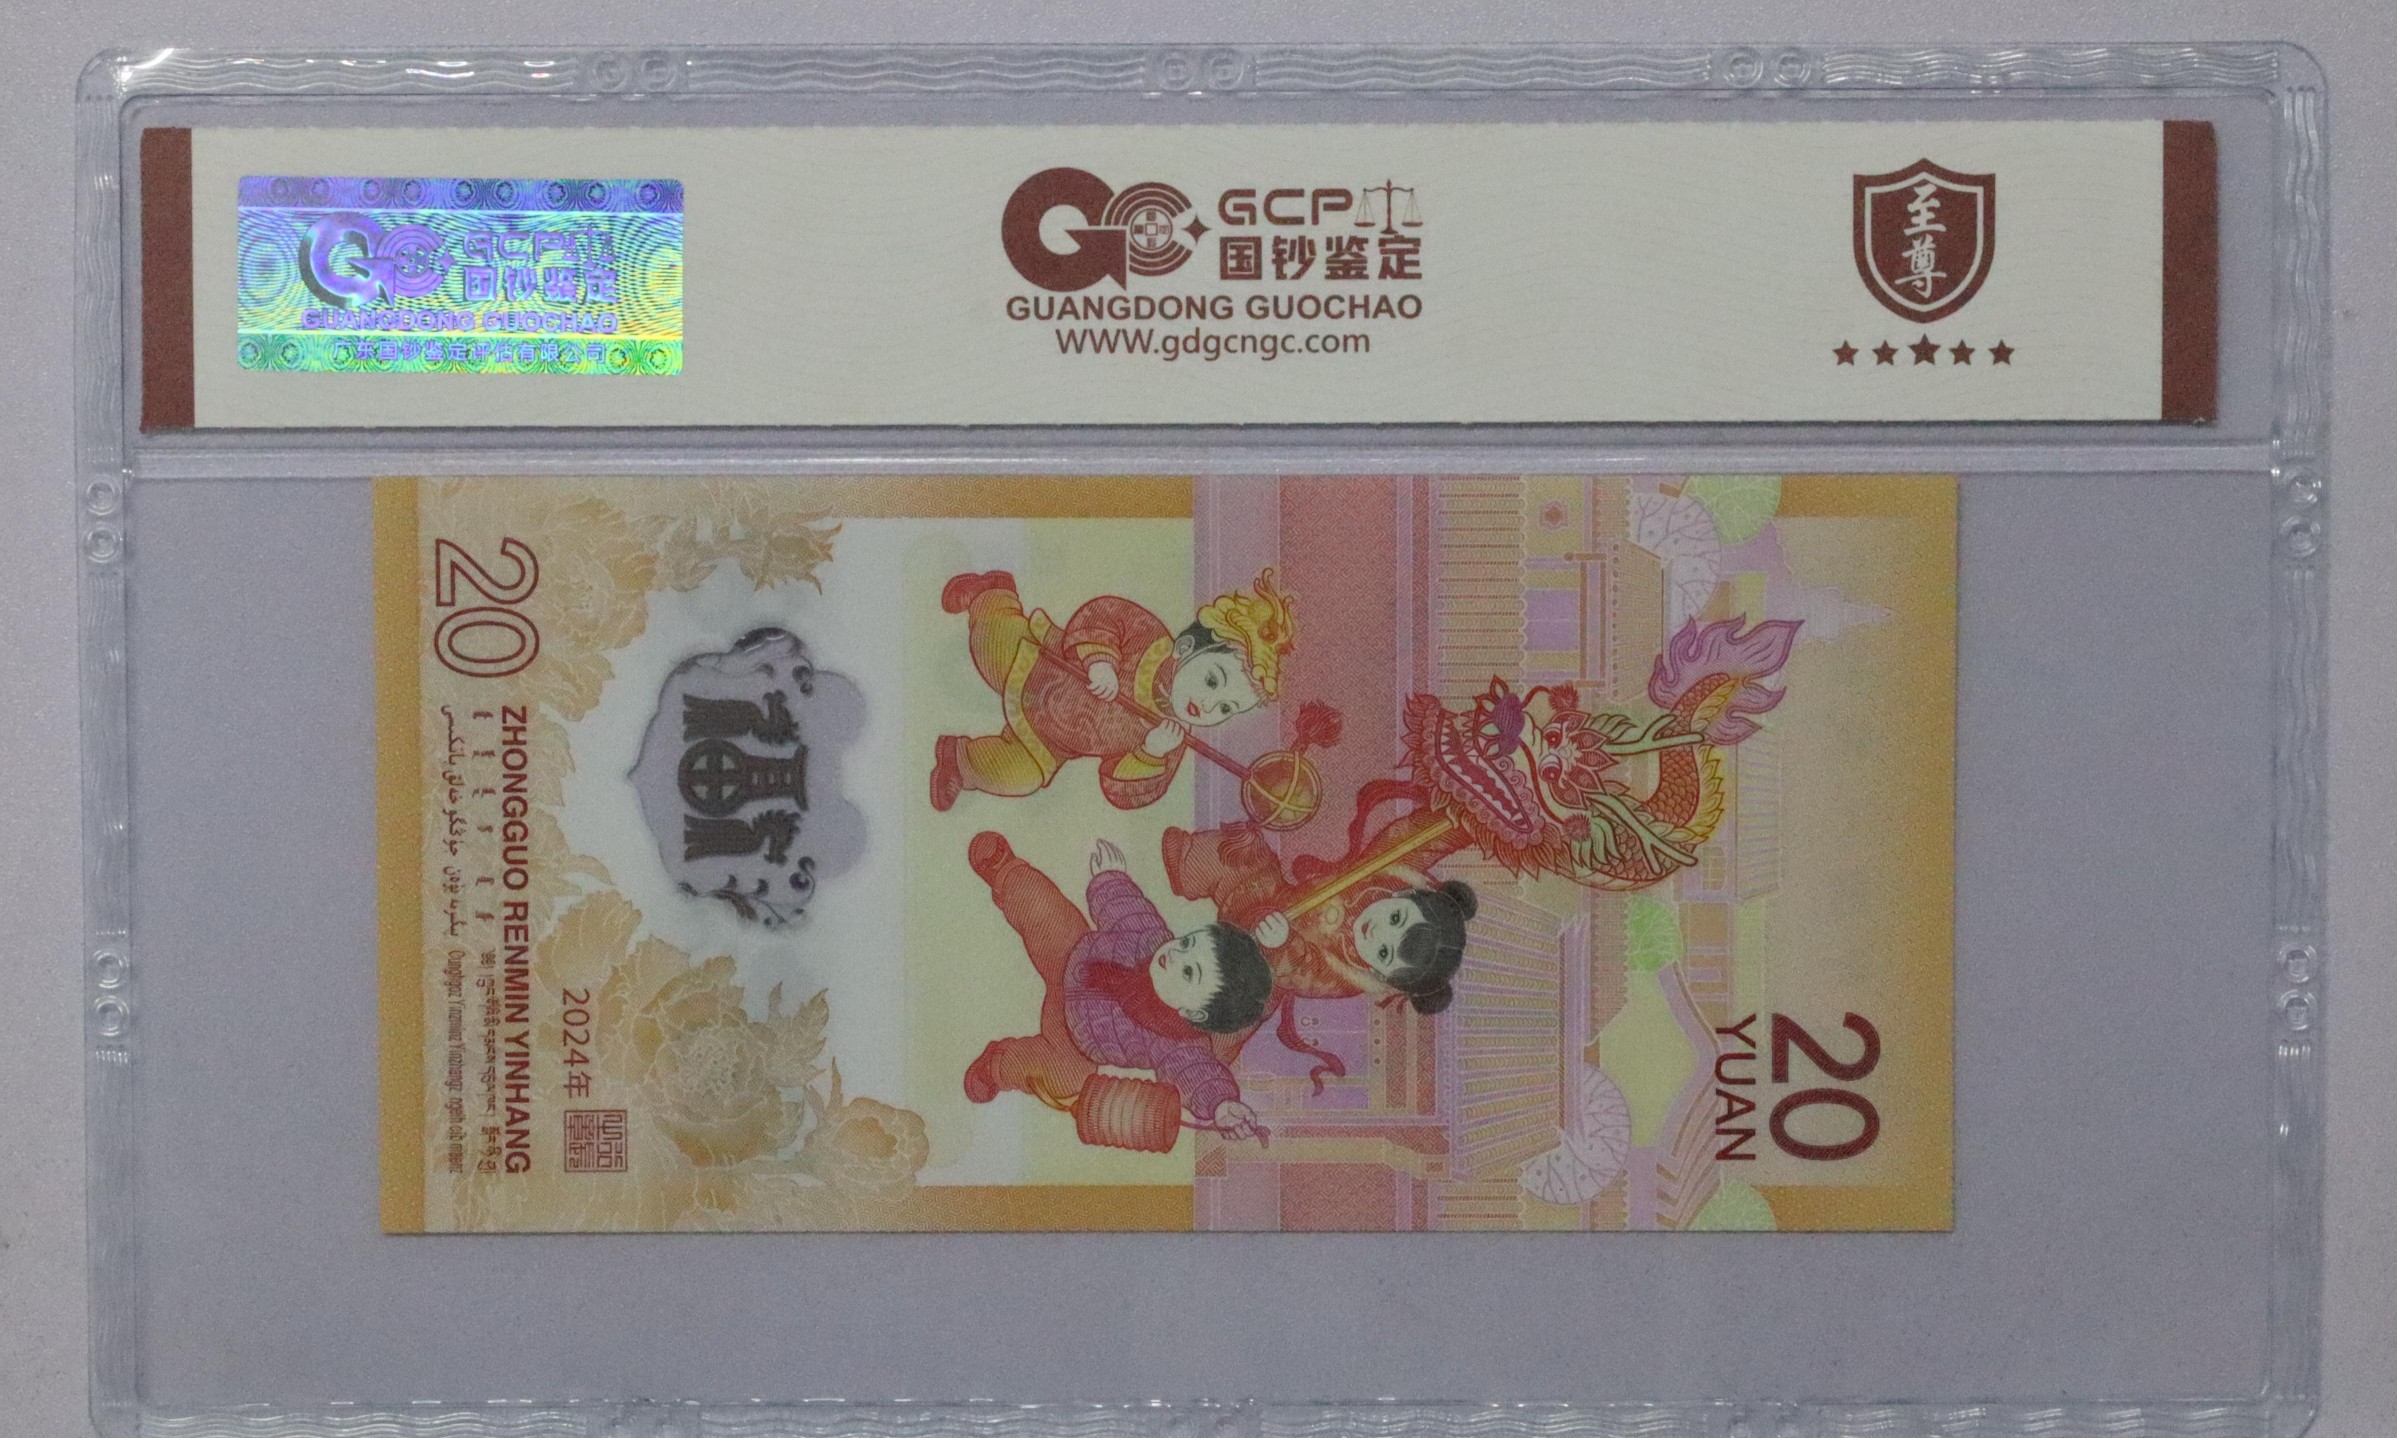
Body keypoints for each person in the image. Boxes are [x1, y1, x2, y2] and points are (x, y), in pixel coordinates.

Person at [962, 834, 1275, 1144]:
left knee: (1065, 1078)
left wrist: (1219, 1104)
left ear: (1195, 1012)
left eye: (1189, 971)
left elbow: (1197, 1073)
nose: (1175, 955)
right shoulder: (1151, 938)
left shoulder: (1178, 1044)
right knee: (1043, 910)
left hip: (1074, 1040)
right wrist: (1111, 877)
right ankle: (1006, 872)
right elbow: (1126, 909)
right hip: (1070, 954)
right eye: (1187, 942)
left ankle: (997, 1066)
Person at [930, 569, 1296, 812]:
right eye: (1212, 681)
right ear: (1186, 647)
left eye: (1227, 708)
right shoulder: (1149, 637)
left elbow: (1120, 790)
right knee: (989, 643)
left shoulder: (1170, 741)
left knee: (1018, 777)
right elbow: (1105, 613)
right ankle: (992, 594)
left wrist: (1150, 753)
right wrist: (1100, 660)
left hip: (1052, 743)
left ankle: (958, 762)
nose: (1209, 704)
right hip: (1039, 664)